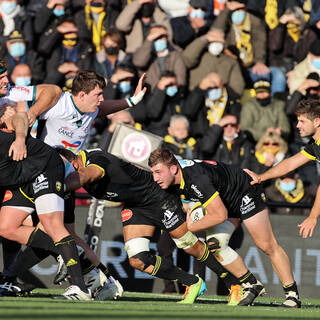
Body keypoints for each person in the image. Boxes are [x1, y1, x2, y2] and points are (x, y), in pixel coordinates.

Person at [59, 147, 251, 305]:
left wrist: (56, 186)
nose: (57, 173)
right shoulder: (80, 166)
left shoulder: (94, 161)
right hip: (136, 206)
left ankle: (234, 283)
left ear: (74, 163)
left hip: (157, 197)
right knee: (137, 260)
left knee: (190, 246)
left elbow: (84, 175)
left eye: (60, 169)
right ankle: (192, 282)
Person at [148, 148, 301, 308]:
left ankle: (292, 296)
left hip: (245, 191)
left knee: (267, 245)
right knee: (215, 245)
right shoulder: (174, 179)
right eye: (153, 173)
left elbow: (220, 215)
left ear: (173, 169)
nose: (155, 178)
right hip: (225, 199)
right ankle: (251, 284)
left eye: (158, 172)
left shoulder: (196, 179)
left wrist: (192, 226)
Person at [0, 113, 91, 300]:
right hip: (23, 179)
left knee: (51, 223)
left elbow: (20, 116)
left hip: (44, 165)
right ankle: (63, 250)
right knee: (6, 227)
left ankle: (80, 288)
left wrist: (19, 139)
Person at [245, 98, 320, 240]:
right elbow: (290, 164)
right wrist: (261, 177)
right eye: (298, 121)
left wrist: (313, 216)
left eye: (302, 121)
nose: (297, 125)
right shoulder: (315, 144)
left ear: (317, 122)